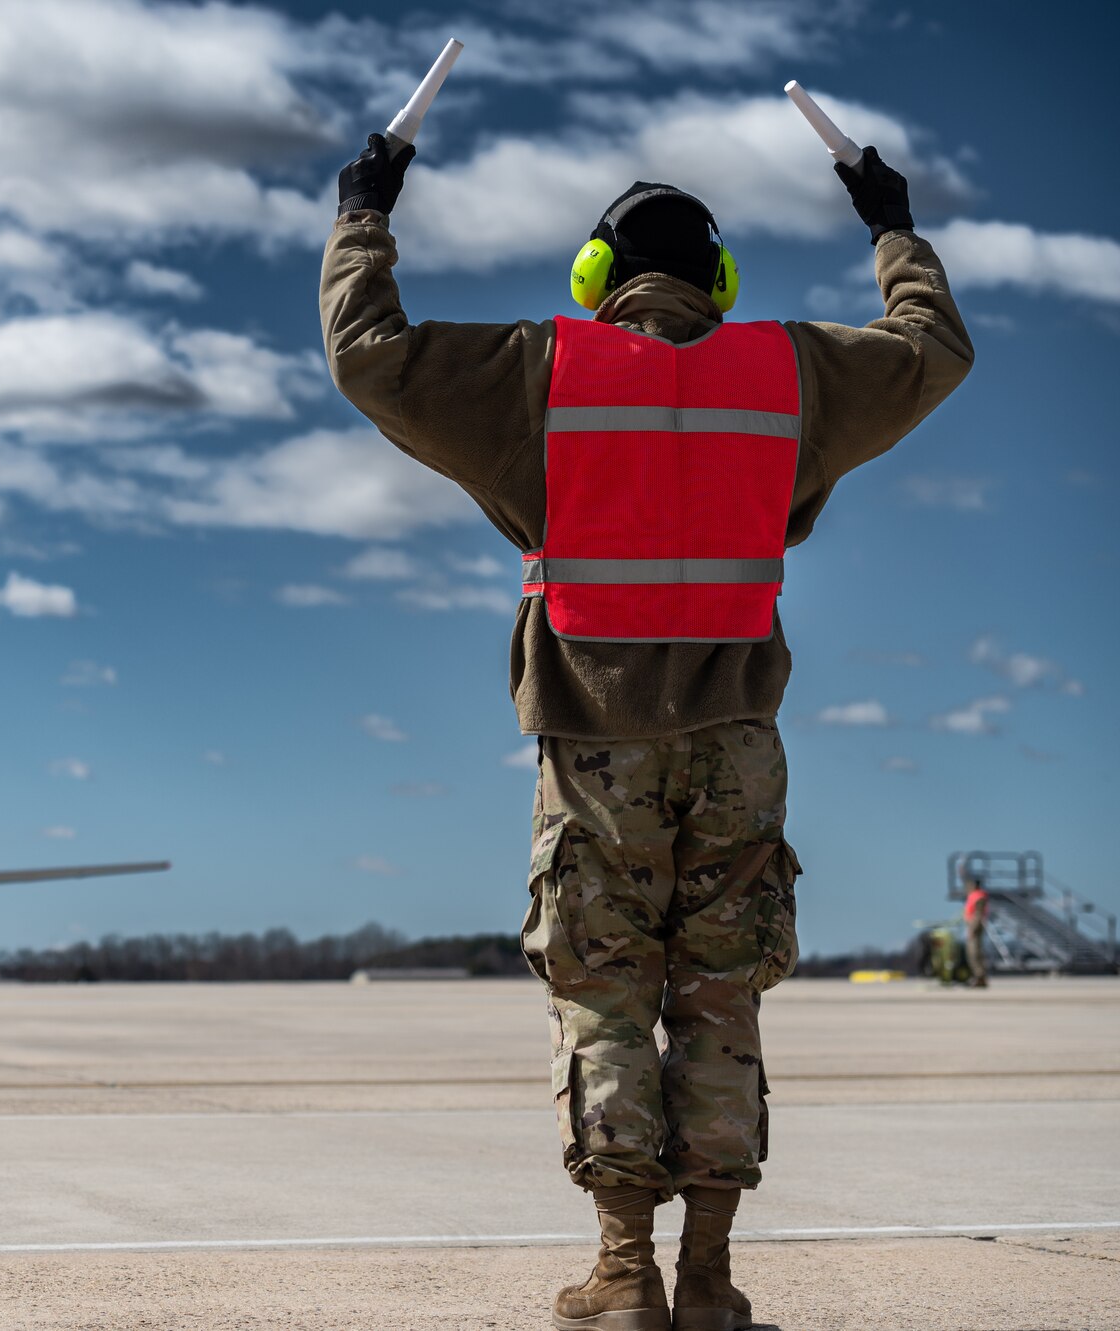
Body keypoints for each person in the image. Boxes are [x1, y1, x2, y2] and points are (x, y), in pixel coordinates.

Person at [321, 135, 972, 1331]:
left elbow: (368, 356)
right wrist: (890, 223)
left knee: (603, 993)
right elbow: (931, 350)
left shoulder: (538, 374)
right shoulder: (788, 376)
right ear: (718, 283)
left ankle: (623, 1274)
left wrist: (364, 211)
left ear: (590, 274)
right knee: (720, 994)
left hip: (594, 748)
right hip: (737, 743)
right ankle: (711, 1280)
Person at [964, 875, 991, 988]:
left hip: (975, 926)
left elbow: (978, 915)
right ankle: (979, 977)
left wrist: (972, 929)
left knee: (974, 953)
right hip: (974, 925)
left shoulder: (978, 896)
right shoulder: (974, 896)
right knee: (974, 952)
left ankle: (979, 976)